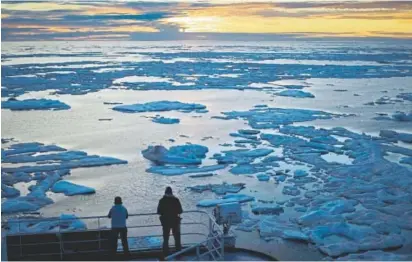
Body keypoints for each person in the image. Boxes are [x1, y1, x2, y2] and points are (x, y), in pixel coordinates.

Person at [157, 187, 183, 257]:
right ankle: (178, 253)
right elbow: (180, 211)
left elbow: (159, 212)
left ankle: (165, 254)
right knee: (177, 238)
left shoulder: (162, 201)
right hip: (175, 221)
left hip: (165, 222)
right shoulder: (176, 200)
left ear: (165, 192)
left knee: (165, 238)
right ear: (171, 192)